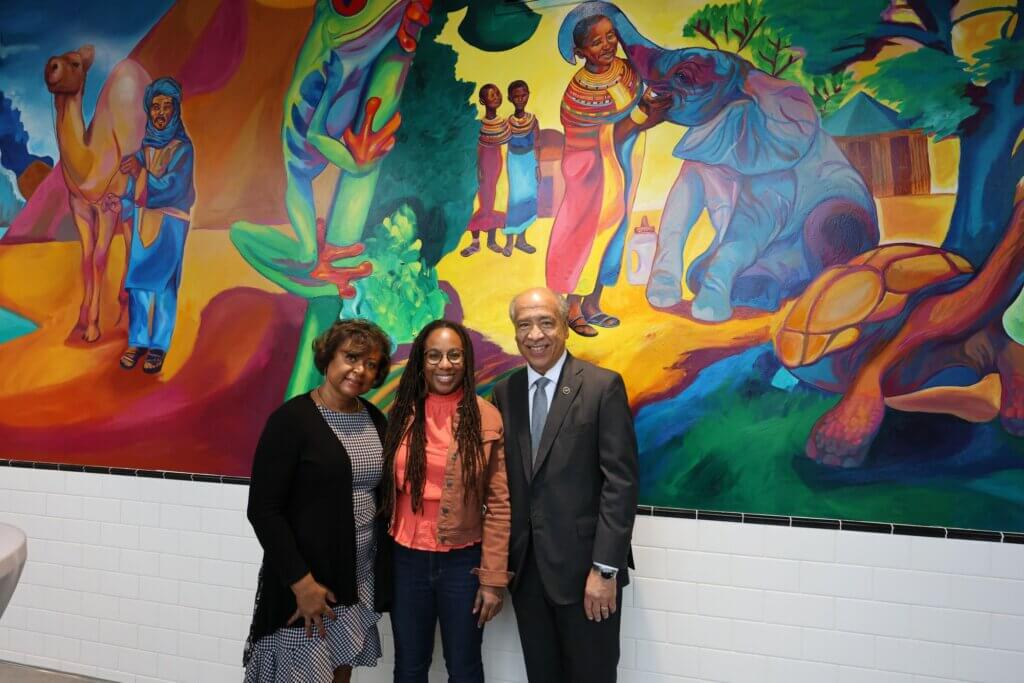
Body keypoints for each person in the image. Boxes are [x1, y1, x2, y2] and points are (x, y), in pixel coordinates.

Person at [491, 287, 639, 682]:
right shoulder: (504, 394)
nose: (535, 334)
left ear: (566, 327)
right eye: (524, 325)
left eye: (545, 322)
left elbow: (620, 484)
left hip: (586, 573)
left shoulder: (601, 386)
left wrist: (604, 570)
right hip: (527, 573)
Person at [244, 319, 394, 683]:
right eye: (351, 357)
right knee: (302, 673)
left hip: (357, 576)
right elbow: (263, 510)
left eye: (371, 364)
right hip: (310, 584)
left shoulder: (375, 419)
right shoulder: (291, 421)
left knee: (340, 672)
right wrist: (301, 583)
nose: (360, 370)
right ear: (328, 358)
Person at [382, 319, 511, 682]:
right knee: (409, 666)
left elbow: (500, 503)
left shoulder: (486, 419)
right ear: (421, 361)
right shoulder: (401, 414)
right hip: (405, 558)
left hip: (463, 562)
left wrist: (492, 579)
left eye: (454, 355)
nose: (445, 364)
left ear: (466, 360)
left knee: (465, 667)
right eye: (434, 355)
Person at [546, 11, 668, 336]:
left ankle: (593, 304)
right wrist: (642, 115)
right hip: (595, 169)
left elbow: (637, 106)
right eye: (596, 41)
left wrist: (649, 105)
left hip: (625, 160)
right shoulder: (578, 91)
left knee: (619, 227)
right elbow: (589, 135)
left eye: (611, 36)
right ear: (580, 51)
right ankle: (572, 307)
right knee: (592, 229)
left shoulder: (627, 71)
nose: (606, 45)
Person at [108, 76, 195, 374]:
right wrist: (120, 202)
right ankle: (137, 341)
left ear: (175, 110)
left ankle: (158, 346)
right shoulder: (143, 150)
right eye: (155, 107)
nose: (159, 113)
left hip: (170, 223)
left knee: (165, 287)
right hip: (144, 225)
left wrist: (142, 173)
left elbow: (176, 187)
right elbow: (135, 194)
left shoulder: (183, 149)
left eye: (166, 106)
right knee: (139, 287)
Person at [461, 84, 511, 258]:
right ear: (483, 101)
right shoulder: (479, 125)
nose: (496, 97)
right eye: (491, 95)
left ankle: (491, 241)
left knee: (492, 201)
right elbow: (476, 148)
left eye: (497, 93)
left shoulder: (503, 123)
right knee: (485, 203)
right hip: (482, 165)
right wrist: (478, 169)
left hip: (496, 164)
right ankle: (475, 243)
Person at [503, 80, 541, 257]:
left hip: (529, 160)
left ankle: (522, 240)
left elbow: (537, 144)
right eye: (516, 96)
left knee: (529, 199)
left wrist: (538, 166)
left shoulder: (533, 120)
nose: (520, 99)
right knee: (515, 200)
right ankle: (509, 241)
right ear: (510, 98)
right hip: (515, 161)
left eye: (523, 95)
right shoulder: (507, 122)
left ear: (528, 95)